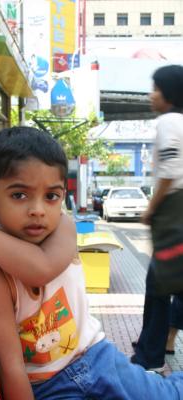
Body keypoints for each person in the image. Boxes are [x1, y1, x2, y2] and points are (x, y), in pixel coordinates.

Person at [0, 127, 183, 400]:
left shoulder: (62, 228)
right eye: (19, 195)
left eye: (51, 196)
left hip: (97, 357)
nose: (38, 210)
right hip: (48, 386)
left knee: (167, 395)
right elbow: (12, 366)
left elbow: (40, 269)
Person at [131, 65, 183, 372]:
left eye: (155, 88)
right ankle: (150, 351)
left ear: (168, 93)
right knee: (164, 284)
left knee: (159, 287)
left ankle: (150, 358)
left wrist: (151, 208)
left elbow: (170, 169)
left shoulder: (169, 122)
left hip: (174, 210)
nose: (151, 95)